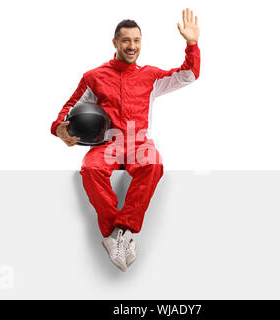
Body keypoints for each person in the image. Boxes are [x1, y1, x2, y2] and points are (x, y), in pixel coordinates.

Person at [50, 8, 200, 272]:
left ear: (141, 43)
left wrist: (191, 44)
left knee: (153, 165)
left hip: (139, 143)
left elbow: (188, 75)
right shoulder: (94, 77)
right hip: (107, 145)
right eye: (126, 41)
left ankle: (121, 232)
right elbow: (67, 109)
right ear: (115, 43)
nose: (132, 46)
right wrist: (59, 129)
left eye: (137, 41)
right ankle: (113, 235)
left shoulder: (151, 76)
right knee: (90, 169)